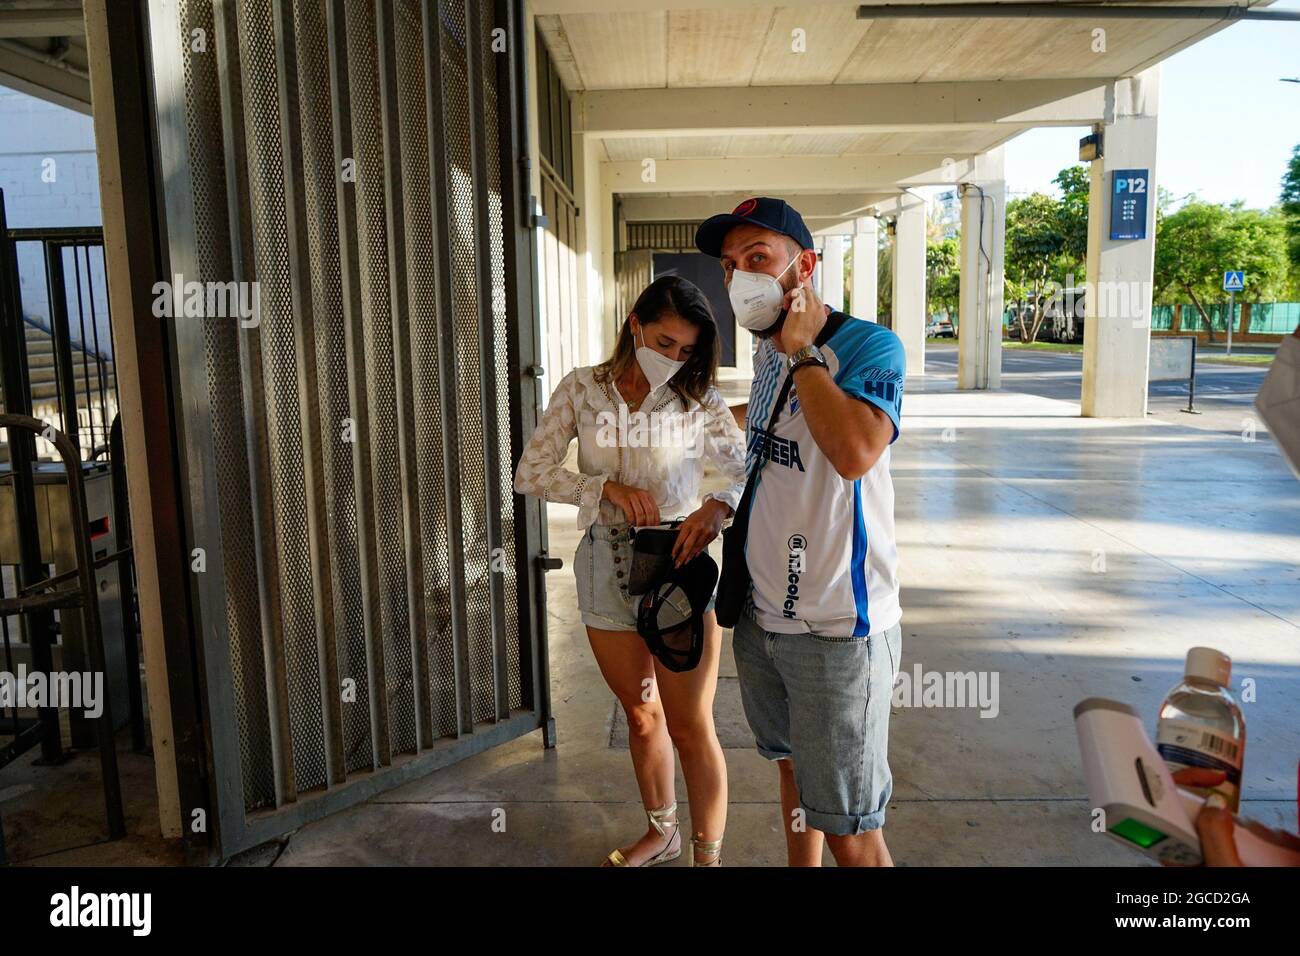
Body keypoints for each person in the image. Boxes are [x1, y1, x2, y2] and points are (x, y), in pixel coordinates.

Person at [695, 197, 906, 867]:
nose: (739, 278)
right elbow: (764, 442)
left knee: (849, 826)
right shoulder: (766, 357)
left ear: (803, 265)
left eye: (757, 258)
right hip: (763, 618)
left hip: (836, 627)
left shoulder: (869, 346)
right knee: (790, 772)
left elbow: (852, 452)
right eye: (730, 266)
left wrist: (805, 352)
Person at [513, 275, 747, 866]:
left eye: (687, 350)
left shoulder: (698, 399)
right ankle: (662, 832)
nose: (674, 358)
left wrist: (717, 509)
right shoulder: (582, 389)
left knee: (691, 727)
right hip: (604, 563)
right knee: (642, 717)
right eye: (664, 342)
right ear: (635, 325)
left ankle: (707, 857)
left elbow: (743, 473)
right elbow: (532, 471)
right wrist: (602, 485)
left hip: (677, 562)